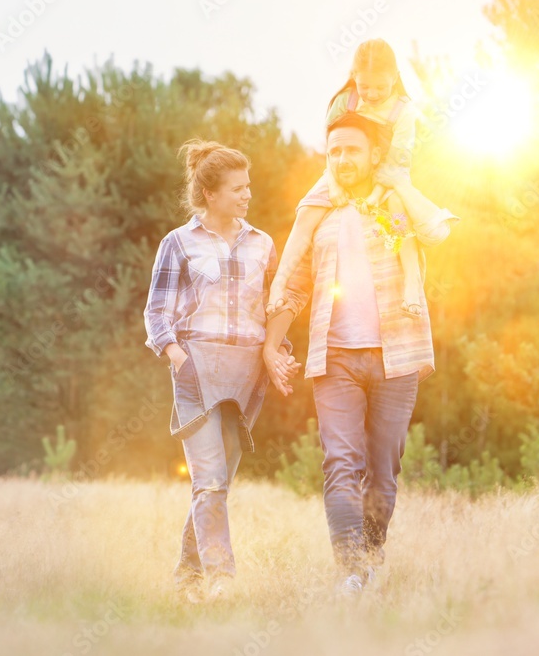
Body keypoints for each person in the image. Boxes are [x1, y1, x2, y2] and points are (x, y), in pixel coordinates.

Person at [263, 112, 458, 596]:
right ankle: (349, 570)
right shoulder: (320, 212)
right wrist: (271, 342)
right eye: (334, 151)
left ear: (374, 154)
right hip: (335, 358)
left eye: (352, 150)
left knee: (384, 467)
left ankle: (371, 559)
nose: (343, 159)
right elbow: (297, 285)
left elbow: (435, 232)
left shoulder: (393, 203)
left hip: (398, 354)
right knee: (340, 461)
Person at [144, 139, 297, 604]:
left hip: (246, 372)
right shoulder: (179, 243)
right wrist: (177, 358)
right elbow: (156, 312)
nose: (247, 195)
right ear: (210, 194)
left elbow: (273, 307)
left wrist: (278, 352)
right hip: (196, 367)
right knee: (209, 478)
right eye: (236, 188)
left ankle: (186, 576)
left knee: (219, 481)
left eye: (248, 187)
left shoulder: (263, 244)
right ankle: (220, 579)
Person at [269, 38, 428, 320]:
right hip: (340, 167)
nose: (372, 93)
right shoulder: (346, 100)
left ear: (395, 78)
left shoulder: (404, 111)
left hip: (388, 170)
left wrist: (376, 196)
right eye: (365, 86)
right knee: (307, 210)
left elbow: (398, 161)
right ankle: (279, 283)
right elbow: (332, 149)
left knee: (398, 210)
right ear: (354, 77)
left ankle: (412, 283)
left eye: (381, 87)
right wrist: (333, 186)